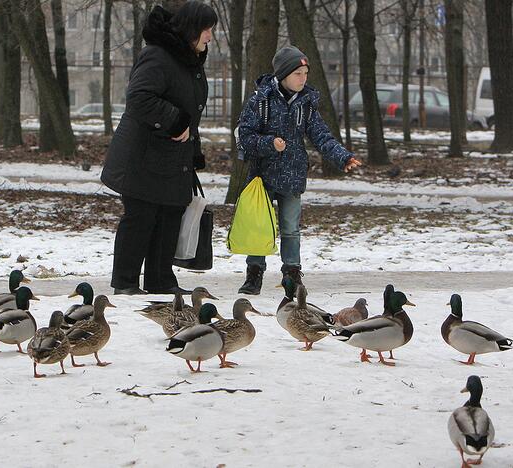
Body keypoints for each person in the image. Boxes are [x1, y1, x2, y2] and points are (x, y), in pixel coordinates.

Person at [101, 1, 217, 295]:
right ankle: (126, 283)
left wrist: (193, 149)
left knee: (169, 216)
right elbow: (139, 98)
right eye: (207, 29)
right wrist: (175, 122)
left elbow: (191, 112)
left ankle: (160, 280)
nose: (209, 37)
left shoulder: (188, 61)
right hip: (143, 155)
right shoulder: (158, 56)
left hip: (173, 158)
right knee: (141, 218)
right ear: (191, 28)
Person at [236, 45, 363, 295]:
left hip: (293, 176)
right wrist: (269, 143)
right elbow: (245, 135)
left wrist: (342, 157)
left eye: (305, 73)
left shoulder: (306, 104)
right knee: (259, 225)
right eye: (298, 74)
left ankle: (292, 275)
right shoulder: (260, 101)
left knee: (291, 228)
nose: (303, 79)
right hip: (262, 176)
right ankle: (254, 274)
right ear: (283, 75)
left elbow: (322, 136)